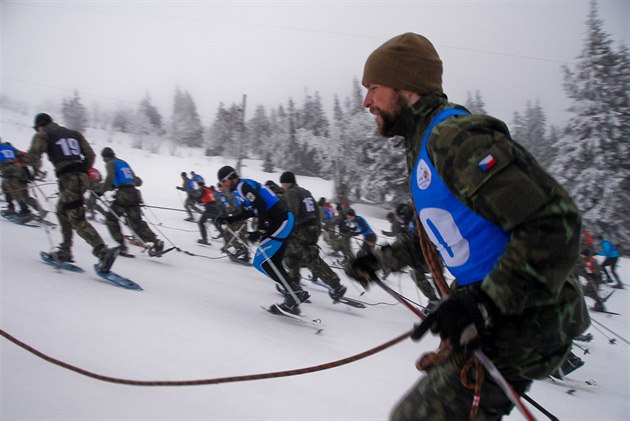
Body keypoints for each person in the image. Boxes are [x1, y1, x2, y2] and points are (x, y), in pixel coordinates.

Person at [350, 33, 589, 420]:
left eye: (373, 88)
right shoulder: (423, 144)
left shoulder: (455, 137)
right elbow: (442, 234)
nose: (366, 102)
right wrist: (381, 259)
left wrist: (485, 301)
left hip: (528, 315)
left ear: (405, 86)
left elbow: (553, 223)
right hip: (495, 313)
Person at [22, 113, 119, 271]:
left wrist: (15, 158)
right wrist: (81, 169)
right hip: (81, 177)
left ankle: (102, 251)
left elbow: (32, 158)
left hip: (69, 179)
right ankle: (65, 250)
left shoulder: (43, 134)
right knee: (61, 211)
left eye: (36, 127)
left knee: (76, 218)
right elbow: (91, 155)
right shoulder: (74, 134)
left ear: (40, 125)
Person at [215, 166, 309, 314]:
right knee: (272, 262)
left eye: (223, 181)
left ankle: (294, 293)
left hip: (281, 220)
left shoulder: (243, 186)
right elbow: (248, 212)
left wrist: (259, 230)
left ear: (231, 177)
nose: (223, 185)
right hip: (281, 221)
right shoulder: (240, 191)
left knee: (261, 262)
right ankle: (294, 296)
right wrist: (228, 219)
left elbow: (261, 204)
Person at [279, 171, 347, 300]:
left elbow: (292, 213)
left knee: (308, 258)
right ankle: (293, 284)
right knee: (293, 255)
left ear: (287, 182)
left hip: (301, 229)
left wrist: (285, 229)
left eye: (282, 184)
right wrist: (317, 229)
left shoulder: (291, 192)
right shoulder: (305, 192)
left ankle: (335, 285)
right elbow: (317, 211)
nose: (282, 186)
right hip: (312, 228)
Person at [94, 147, 164, 257]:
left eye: (103, 158)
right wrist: (116, 185)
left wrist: (101, 191)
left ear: (106, 157)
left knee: (111, 218)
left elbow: (110, 178)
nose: (103, 160)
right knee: (137, 222)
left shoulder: (110, 163)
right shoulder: (123, 163)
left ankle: (122, 246)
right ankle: (156, 242)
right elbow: (136, 181)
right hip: (134, 194)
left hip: (123, 195)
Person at [0, 139, 47, 223]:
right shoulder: (9, 147)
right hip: (19, 170)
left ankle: (25, 211)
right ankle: (11, 207)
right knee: (6, 188)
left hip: (9, 171)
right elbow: (23, 156)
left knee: (18, 193)